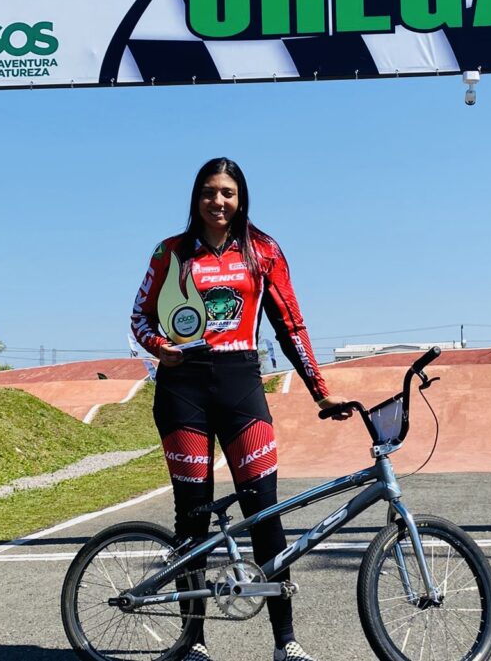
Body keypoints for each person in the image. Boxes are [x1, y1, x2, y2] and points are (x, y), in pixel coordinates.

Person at [131, 158, 349, 661]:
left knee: (264, 512)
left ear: (241, 197)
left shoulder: (263, 250)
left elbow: (290, 324)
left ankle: (285, 642)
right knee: (193, 519)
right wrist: (156, 344)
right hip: (182, 389)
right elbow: (140, 314)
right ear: (196, 197)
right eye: (209, 192)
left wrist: (320, 389)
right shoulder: (171, 252)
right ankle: (194, 643)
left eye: (228, 192)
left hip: (240, 385)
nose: (218, 201)